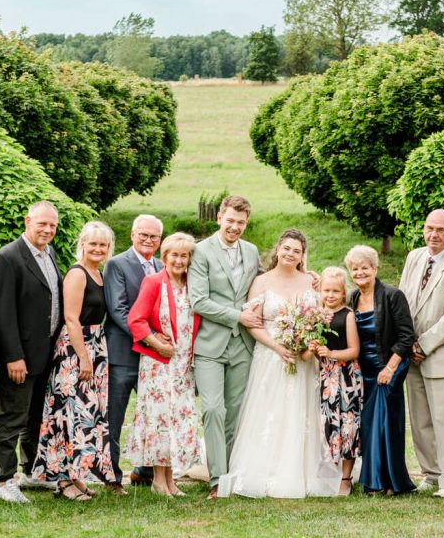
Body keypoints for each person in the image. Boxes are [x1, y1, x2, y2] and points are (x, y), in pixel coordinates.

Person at [217, 229, 340, 498]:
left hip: (303, 359)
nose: (290, 254)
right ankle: (263, 470)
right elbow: (252, 322)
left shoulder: (311, 281)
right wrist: (277, 347)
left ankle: (301, 471)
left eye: (296, 251)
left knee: (300, 410)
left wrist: (305, 342)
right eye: (286, 248)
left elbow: (319, 317)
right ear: (278, 249)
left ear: (302, 255)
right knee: (269, 410)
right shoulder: (261, 281)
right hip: (270, 356)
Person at [31, 221, 116, 501]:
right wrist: (83, 358)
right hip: (75, 350)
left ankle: (77, 476)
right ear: (83, 243)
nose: (98, 249)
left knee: (85, 416)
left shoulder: (99, 273)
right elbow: (70, 318)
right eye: (93, 243)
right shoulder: (77, 274)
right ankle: (63, 481)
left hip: (94, 345)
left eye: (103, 245)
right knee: (68, 413)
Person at [189, 195, 263, 500]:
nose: (235, 227)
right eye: (230, 220)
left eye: (241, 223)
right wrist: (237, 316)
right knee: (213, 410)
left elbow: (262, 282)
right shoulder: (201, 251)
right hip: (210, 344)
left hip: (242, 345)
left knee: (235, 413)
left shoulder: (252, 250)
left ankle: (231, 474)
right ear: (219, 217)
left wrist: (306, 277)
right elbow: (198, 300)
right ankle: (216, 479)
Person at [398, 209, 444, 498]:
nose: (434, 235)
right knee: (419, 420)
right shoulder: (414, 257)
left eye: (441, 230)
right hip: (411, 352)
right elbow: (404, 299)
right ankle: (429, 474)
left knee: (443, 421)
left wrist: (423, 344)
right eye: (430, 228)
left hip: (439, 355)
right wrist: (405, 343)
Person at [0, 201, 63, 504]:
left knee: (36, 416)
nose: (47, 230)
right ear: (27, 221)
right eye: (42, 224)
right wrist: (12, 355)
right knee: (11, 417)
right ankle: (3, 480)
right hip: (20, 356)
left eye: (52, 226)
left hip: (45, 353)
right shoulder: (9, 257)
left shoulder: (50, 254)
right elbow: (3, 312)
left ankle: (31, 471)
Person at [125, 232, 203, 497]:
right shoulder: (154, 282)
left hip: (184, 364)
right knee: (160, 418)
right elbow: (136, 319)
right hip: (159, 362)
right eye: (174, 255)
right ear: (164, 257)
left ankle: (171, 479)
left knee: (179, 419)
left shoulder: (194, 284)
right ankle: (158, 480)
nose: (179, 260)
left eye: (184, 255)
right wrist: (157, 344)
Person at [347, 245, 417, 495]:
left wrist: (389, 368)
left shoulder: (391, 295)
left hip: (388, 367)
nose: (360, 272)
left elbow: (406, 336)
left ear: (375, 269)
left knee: (383, 423)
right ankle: (381, 479)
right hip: (362, 371)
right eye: (354, 269)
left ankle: (384, 482)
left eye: (364, 267)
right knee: (369, 425)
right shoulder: (352, 298)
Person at [104, 214, 164, 493]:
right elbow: (118, 311)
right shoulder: (117, 264)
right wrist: (151, 340)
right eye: (143, 235)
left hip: (153, 360)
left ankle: (145, 471)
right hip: (122, 355)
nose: (148, 240)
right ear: (132, 235)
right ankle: (113, 476)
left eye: (154, 236)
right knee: (114, 418)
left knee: (153, 416)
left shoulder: (162, 266)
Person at [310, 267, 362, 496]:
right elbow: (317, 352)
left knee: (348, 425)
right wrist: (314, 350)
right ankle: (329, 473)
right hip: (325, 378)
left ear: (343, 293)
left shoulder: (347, 315)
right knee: (329, 425)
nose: (330, 295)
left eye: (335, 291)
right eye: (326, 290)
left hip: (347, 377)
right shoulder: (316, 315)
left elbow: (354, 350)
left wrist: (330, 353)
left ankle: (346, 478)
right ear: (320, 291)